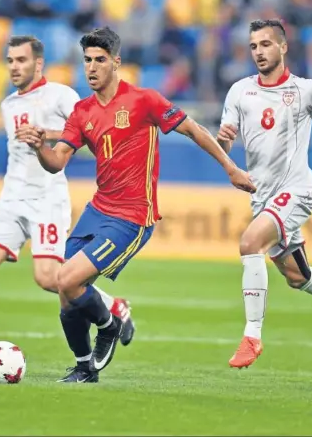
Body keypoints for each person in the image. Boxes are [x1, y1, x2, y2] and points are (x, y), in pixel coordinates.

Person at [16, 26, 255, 380]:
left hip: (132, 217)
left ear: (116, 63)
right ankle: (85, 368)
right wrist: (39, 147)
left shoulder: (144, 100)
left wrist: (232, 168)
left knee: (66, 279)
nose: (91, 68)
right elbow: (56, 164)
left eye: (99, 60)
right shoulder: (81, 112)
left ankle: (111, 323)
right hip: (98, 211)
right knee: (64, 290)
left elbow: (195, 130)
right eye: (87, 61)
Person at [0, 35, 136, 365]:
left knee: (48, 278)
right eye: (9, 61)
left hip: (46, 200)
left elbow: (89, 130)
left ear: (38, 63)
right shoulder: (9, 104)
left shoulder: (60, 95)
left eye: (21, 60)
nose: (13, 67)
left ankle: (112, 306)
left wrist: (48, 135)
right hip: (11, 198)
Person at [217, 19, 312, 369]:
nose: (259, 52)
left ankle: (252, 336)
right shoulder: (239, 91)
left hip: (295, 192)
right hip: (262, 198)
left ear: (283, 48)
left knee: (248, 243)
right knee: (298, 277)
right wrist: (224, 137)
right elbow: (225, 142)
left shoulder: (306, 90)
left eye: (266, 44)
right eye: (254, 46)